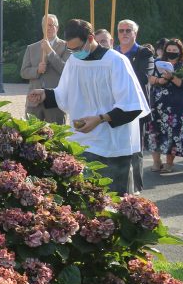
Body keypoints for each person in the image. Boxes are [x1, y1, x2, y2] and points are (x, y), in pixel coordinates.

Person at [27, 19, 150, 195]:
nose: (75, 53)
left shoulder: (116, 61)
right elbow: (65, 94)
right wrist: (45, 94)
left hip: (112, 144)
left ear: (91, 38)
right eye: (71, 49)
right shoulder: (74, 62)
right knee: (86, 199)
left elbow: (132, 105)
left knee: (113, 201)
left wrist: (100, 119)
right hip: (83, 141)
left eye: (77, 48)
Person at [145, 38, 183, 173]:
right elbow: (149, 79)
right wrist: (160, 79)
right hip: (157, 105)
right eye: (169, 50)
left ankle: (169, 163)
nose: (171, 52)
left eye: (174, 50)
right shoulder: (157, 62)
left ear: (180, 51)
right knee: (155, 133)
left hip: (177, 107)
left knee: (173, 134)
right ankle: (156, 161)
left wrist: (171, 77)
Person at [116, 19, 154, 193]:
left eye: (128, 30)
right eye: (121, 30)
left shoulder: (144, 53)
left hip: (135, 109)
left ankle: (136, 188)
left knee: (135, 149)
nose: (124, 34)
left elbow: (143, 78)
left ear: (135, 33)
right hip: (115, 108)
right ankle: (119, 185)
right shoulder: (112, 52)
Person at [20, 14, 69, 123]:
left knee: (55, 138)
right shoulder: (31, 48)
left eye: (51, 25)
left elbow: (65, 70)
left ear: (57, 27)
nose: (48, 28)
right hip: (34, 101)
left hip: (55, 102)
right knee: (32, 138)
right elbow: (23, 72)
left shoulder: (66, 46)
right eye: (46, 25)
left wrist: (50, 51)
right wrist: (36, 70)